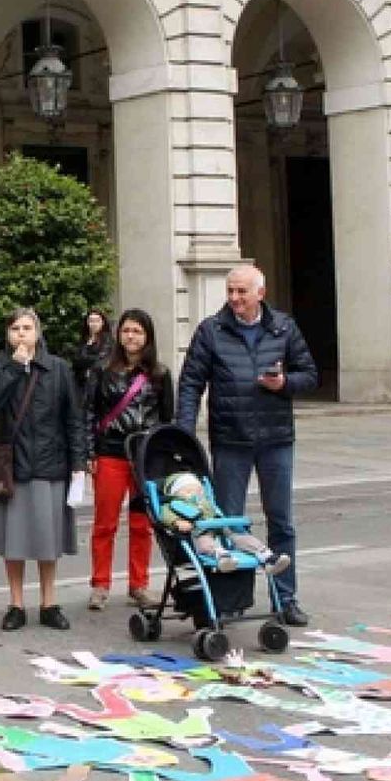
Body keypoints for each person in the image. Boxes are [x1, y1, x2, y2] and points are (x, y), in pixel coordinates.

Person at [176, 265, 317, 627]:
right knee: (227, 524)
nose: (235, 298)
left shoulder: (283, 327)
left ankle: (285, 599)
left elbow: (309, 376)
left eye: (242, 292)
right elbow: (191, 383)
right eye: (230, 291)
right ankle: (229, 601)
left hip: (276, 440)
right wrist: (184, 433)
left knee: (281, 522)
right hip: (230, 440)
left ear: (260, 293)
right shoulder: (211, 329)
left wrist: (284, 383)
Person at [0, 308, 86, 633]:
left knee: (46, 539)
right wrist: (15, 367)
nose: (21, 334)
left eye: (27, 328)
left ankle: (49, 602)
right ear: (8, 335)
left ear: (38, 332)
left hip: (51, 464)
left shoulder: (59, 369)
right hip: (13, 466)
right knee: (14, 539)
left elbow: (73, 419)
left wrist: (79, 463)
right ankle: (16, 603)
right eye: (15, 328)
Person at [84, 308, 172, 612]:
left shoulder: (160, 375)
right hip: (110, 454)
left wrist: (162, 459)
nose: (131, 336)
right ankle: (100, 584)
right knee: (105, 523)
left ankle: (139, 584)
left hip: (144, 458)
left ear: (147, 336)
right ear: (118, 334)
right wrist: (89, 452)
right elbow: (89, 413)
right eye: (126, 331)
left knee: (142, 524)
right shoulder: (102, 370)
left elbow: (165, 421)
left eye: (137, 331)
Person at [158, 473, 291, 573]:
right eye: (188, 491)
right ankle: (220, 555)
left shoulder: (206, 503)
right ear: (174, 493)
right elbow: (165, 516)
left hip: (216, 525)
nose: (194, 494)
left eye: (198, 491)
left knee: (240, 536)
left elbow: (216, 513)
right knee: (204, 541)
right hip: (196, 531)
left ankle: (266, 555)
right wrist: (177, 522)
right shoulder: (173, 505)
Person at [71, 309, 113, 390]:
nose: (94, 324)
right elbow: (76, 361)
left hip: (98, 383)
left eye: (97, 321)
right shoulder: (84, 340)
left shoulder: (107, 340)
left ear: (103, 322)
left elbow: (101, 360)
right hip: (81, 383)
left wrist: (84, 361)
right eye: (91, 321)